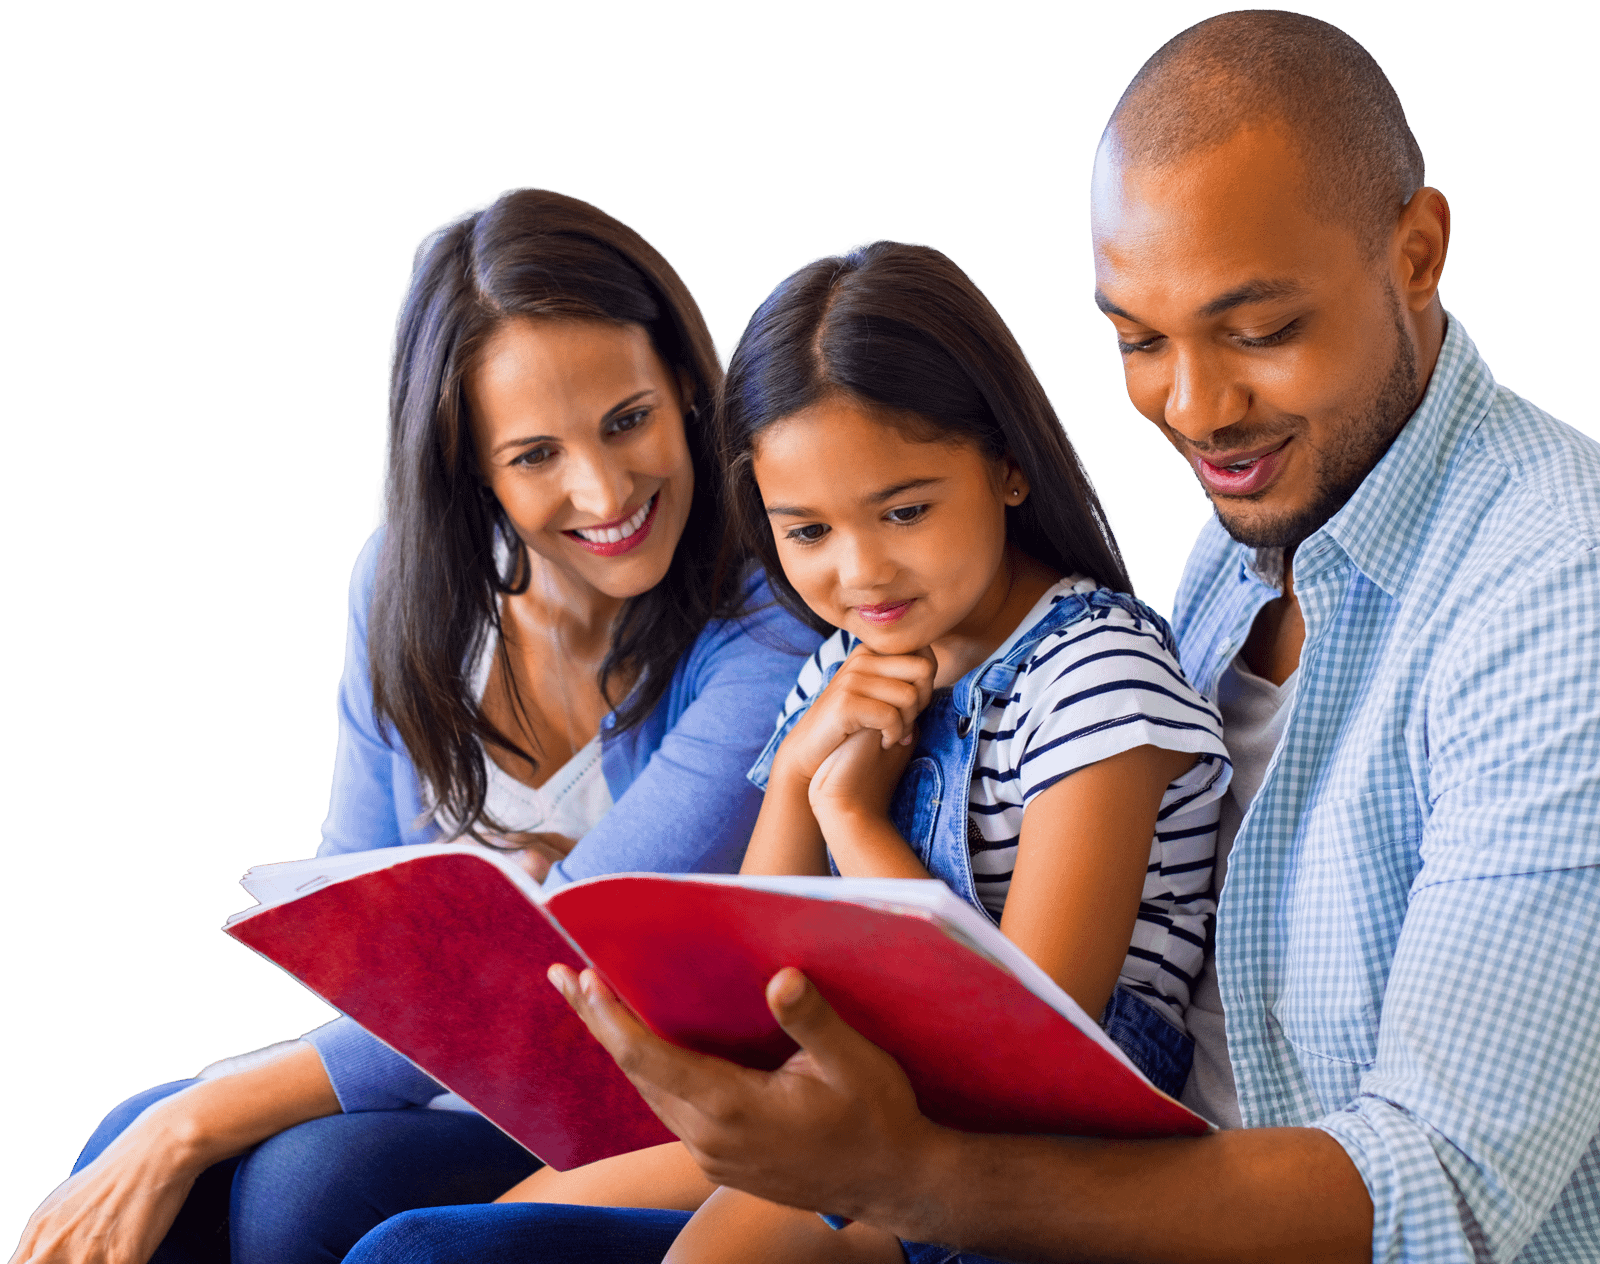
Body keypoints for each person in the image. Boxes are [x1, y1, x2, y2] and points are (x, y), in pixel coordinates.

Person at [356, 13, 1598, 1264]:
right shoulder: (1247, 533)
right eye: (1138, 340)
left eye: (1261, 331)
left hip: (1071, 1187)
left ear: (1421, 251)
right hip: (996, 1164)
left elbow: (1441, 1188)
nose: (1195, 409)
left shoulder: (1553, 585)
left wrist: (915, 1175)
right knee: (419, 1237)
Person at [366, 238, 1232, 1262]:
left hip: (1026, 1148)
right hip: (850, 1087)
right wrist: (791, 777)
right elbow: (756, 987)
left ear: (1004, 462)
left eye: (904, 510)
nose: (862, 570)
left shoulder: (1095, 676)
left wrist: (851, 818)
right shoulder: (841, 666)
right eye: (807, 531)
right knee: (437, 1239)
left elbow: (1023, 1042)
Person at [12, 187, 821, 1264]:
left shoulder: (767, 623)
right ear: (468, 463)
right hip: (439, 1077)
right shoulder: (404, 584)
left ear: (683, 383)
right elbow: (352, 916)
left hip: (632, 1111)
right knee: (131, 1137)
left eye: (627, 420)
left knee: (284, 1185)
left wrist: (204, 1111)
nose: (603, 486)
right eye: (535, 454)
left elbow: (551, 980)